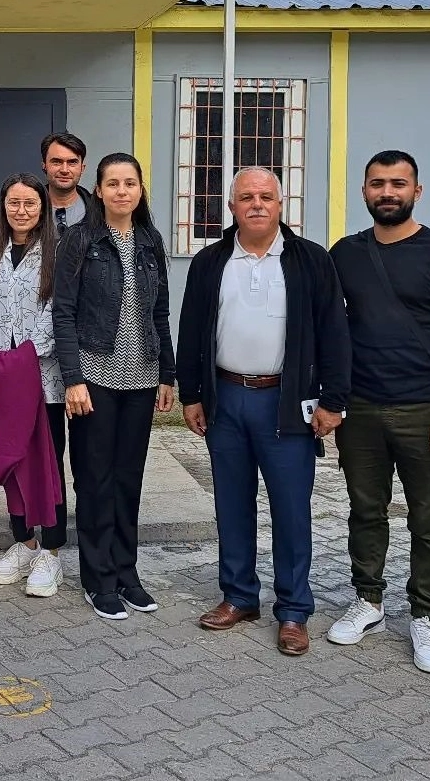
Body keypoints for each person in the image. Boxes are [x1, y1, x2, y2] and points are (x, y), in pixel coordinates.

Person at [177, 167, 350, 656]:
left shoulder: (310, 260)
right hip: (226, 398)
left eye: (266, 196)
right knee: (232, 503)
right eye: (247, 196)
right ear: (231, 206)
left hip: (287, 402)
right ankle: (239, 596)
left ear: (280, 204)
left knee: (291, 509)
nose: (257, 204)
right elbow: (191, 329)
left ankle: (293, 610)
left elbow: (335, 331)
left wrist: (334, 400)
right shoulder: (211, 261)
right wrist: (191, 394)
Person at [325, 150, 430, 674]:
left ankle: (425, 615)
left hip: (426, 409)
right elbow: (329, 328)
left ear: (417, 191)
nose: (387, 192)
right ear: (364, 192)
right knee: (365, 510)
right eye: (378, 183)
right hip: (360, 408)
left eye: (398, 183)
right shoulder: (345, 253)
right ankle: (368, 600)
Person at [54, 152, 175, 621]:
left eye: (130, 183)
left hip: (141, 378)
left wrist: (167, 374)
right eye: (113, 183)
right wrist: (73, 379)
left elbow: (160, 312)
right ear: (99, 191)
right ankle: (98, 578)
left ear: (140, 189)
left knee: (128, 480)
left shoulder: (150, 240)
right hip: (94, 378)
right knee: (95, 480)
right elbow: (63, 312)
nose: (122, 191)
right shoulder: (80, 240)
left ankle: (127, 573)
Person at [0, 174, 67, 597]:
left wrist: (24, 356)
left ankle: (52, 550)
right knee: (10, 458)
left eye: (30, 203)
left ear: (42, 208)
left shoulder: (56, 253)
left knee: (46, 463)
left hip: (41, 377)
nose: (22, 210)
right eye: (14, 202)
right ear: (3, 207)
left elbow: (58, 310)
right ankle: (24, 543)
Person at [41, 133, 91, 235]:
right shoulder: (26, 209)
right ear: (44, 166)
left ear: (82, 168)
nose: (64, 170)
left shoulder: (101, 210)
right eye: (56, 162)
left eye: (72, 162)